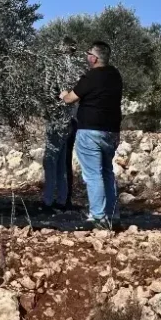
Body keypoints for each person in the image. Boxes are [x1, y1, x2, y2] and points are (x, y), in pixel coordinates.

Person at [60, 41, 123, 228]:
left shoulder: (91, 76)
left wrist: (63, 94)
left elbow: (70, 98)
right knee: (107, 172)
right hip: (111, 131)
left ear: (94, 58)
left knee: (93, 174)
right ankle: (112, 216)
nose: (86, 56)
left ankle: (98, 217)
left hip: (90, 131)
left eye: (88, 53)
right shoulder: (115, 75)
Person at [42, 36, 83, 212]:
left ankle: (48, 201)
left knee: (51, 160)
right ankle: (63, 200)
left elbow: (47, 91)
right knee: (64, 161)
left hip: (58, 119)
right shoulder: (78, 69)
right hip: (73, 120)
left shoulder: (55, 67)